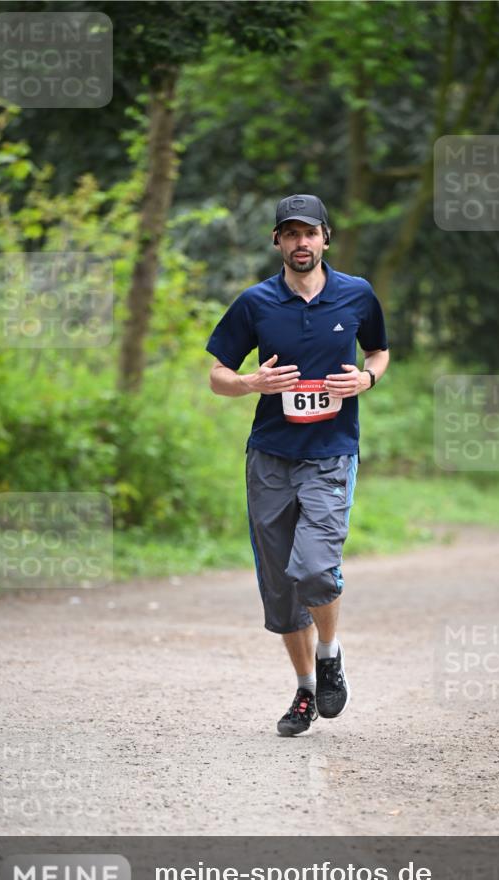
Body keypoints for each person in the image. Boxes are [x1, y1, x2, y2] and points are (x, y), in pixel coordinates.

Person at [207, 194, 390, 736]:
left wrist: (367, 378)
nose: (300, 243)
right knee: (281, 586)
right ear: (277, 242)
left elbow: (378, 351)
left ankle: (330, 654)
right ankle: (306, 690)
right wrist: (249, 383)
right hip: (270, 456)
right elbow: (218, 373)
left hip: (331, 454)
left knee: (312, 567)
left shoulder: (356, 294)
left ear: (325, 238)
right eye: (289, 234)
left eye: (309, 233)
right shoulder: (255, 303)